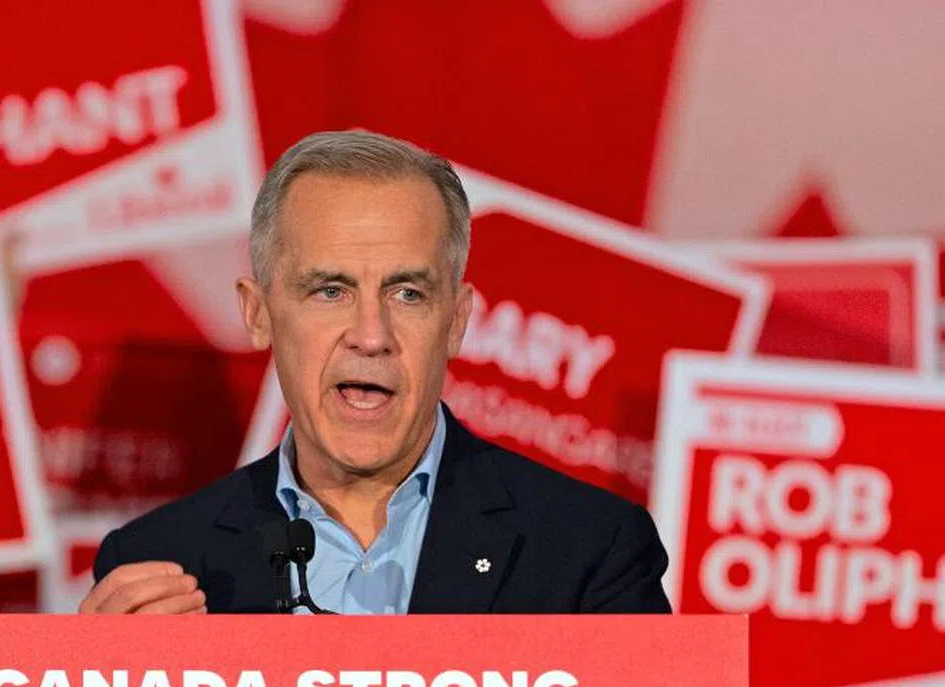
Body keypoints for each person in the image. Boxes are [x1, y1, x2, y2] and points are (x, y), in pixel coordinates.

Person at [80, 130, 671, 616]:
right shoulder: (161, 563)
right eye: (330, 290)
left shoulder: (591, 552)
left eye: (409, 293)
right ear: (258, 313)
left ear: (457, 320)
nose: (372, 335)